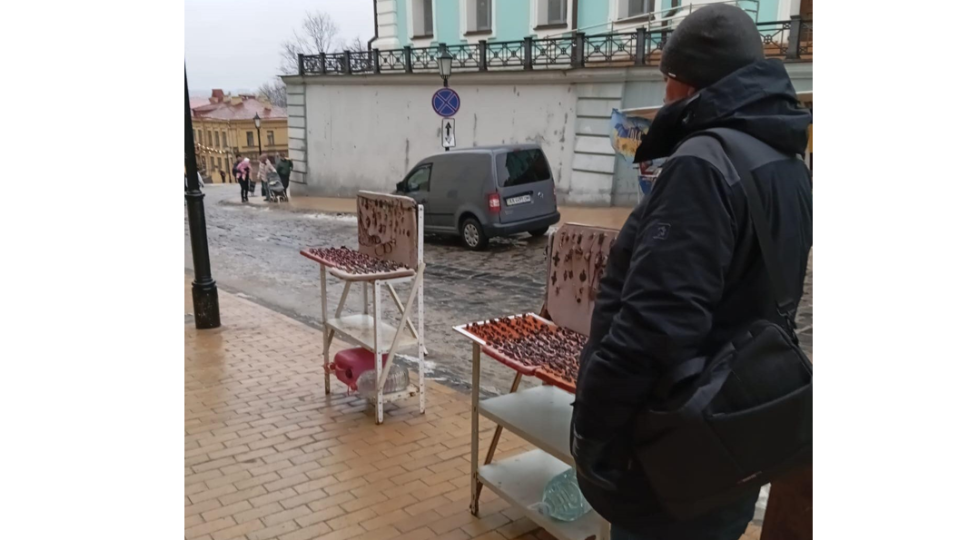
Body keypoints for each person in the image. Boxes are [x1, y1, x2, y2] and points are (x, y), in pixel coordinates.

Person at [570, 5, 812, 540]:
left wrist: (592, 425)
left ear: (688, 84)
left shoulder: (701, 163)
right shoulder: (789, 163)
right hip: (738, 427)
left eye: (668, 77)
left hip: (674, 448)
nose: (665, 90)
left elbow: (653, 328)